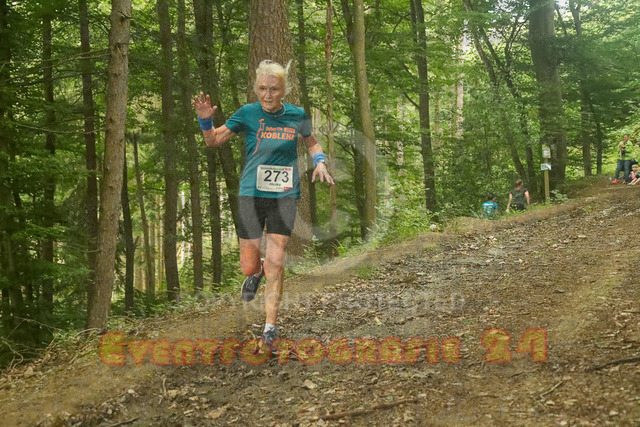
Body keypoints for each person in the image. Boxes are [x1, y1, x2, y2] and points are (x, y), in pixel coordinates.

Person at [192, 60, 335, 348]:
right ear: (256, 88)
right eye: (262, 89)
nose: (267, 95)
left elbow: (312, 142)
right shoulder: (248, 113)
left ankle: (270, 327)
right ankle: (255, 271)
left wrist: (319, 161)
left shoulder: (296, 115)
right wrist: (205, 121)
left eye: (274, 89)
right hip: (251, 194)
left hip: (284, 194)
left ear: (284, 90)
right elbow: (213, 141)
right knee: (248, 266)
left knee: (276, 260)